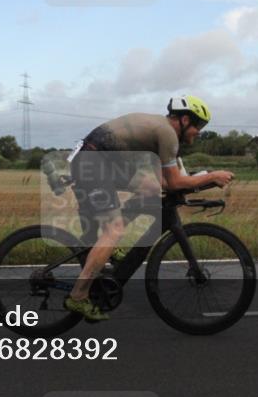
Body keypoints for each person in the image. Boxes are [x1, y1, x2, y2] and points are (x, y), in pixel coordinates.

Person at [64, 95, 234, 321]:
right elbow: (175, 183)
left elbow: (166, 181)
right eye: (199, 125)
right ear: (184, 120)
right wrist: (212, 176)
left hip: (97, 158)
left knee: (151, 188)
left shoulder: (162, 133)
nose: (199, 132)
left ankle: (111, 245)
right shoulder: (167, 134)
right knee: (112, 230)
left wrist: (200, 181)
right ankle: (78, 295)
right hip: (93, 162)